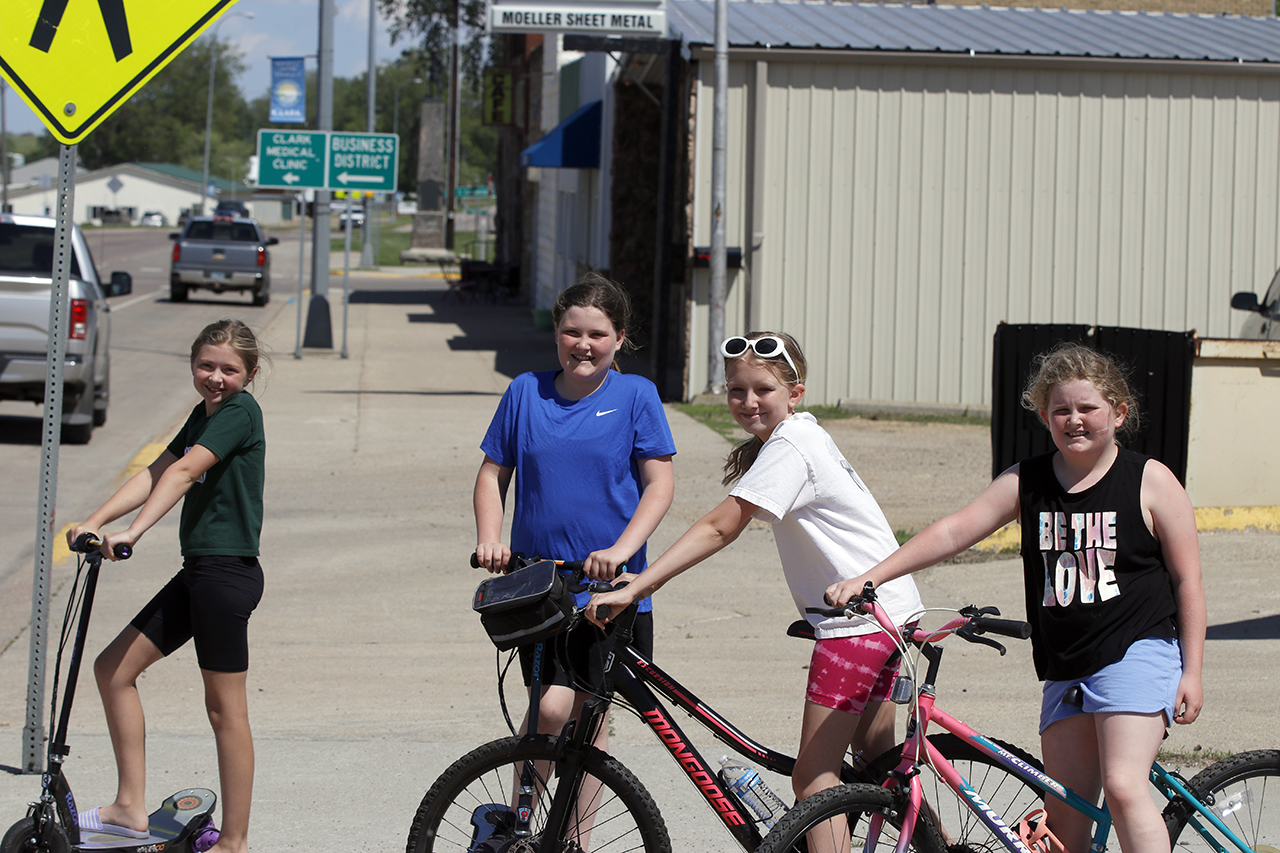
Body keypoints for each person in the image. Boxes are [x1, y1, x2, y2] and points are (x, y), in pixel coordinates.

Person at [828, 342, 1206, 853]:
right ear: (1045, 416)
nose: (1074, 420)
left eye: (1088, 408)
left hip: (1137, 650)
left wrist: (1193, 672)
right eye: (1061, 410)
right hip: (1065, 664)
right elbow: (954, 530)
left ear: (1118, 413)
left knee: (1123, 786)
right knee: (1065, 816)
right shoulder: (1029, 481)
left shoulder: (1150, 480)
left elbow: (1188, 581)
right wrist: (870, 577)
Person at [586, 331, 925, 807]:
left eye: (763, 390)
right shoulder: (800, 434)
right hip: (891, 614)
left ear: (795, 393)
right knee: (877, 763)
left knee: (814, 780)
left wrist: (639, 588)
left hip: (857, 626)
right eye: (736, 390)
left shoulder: (792, 445)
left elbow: (721, 527)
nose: (748, 401)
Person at [67, 319, 267, 853]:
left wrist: (132, 533)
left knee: (226, 711)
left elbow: (183, 475)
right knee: (113, 670)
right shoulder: (204, 415)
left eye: (229, 369)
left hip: (226, 578)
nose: (216, 377)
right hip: (200, 573)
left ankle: (234, 842)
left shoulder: (240, 413)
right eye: (206, 365)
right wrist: (94, 519)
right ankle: (130, 807)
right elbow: (159, 468)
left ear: (250, 373)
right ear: (193, 364)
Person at [472, 272, 676, 752]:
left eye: (597, 334)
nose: (583, 345)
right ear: (557, 333)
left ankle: (574, 832)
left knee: (591, 718)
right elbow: (491, 475)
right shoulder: (525, 391)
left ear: (619, 339)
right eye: (572, 332)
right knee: (548, 709)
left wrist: (621, 550)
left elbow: (659, 485)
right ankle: (520, 825)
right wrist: (490, 537)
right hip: (540, 586)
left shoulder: (636, 396)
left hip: (613, 589)